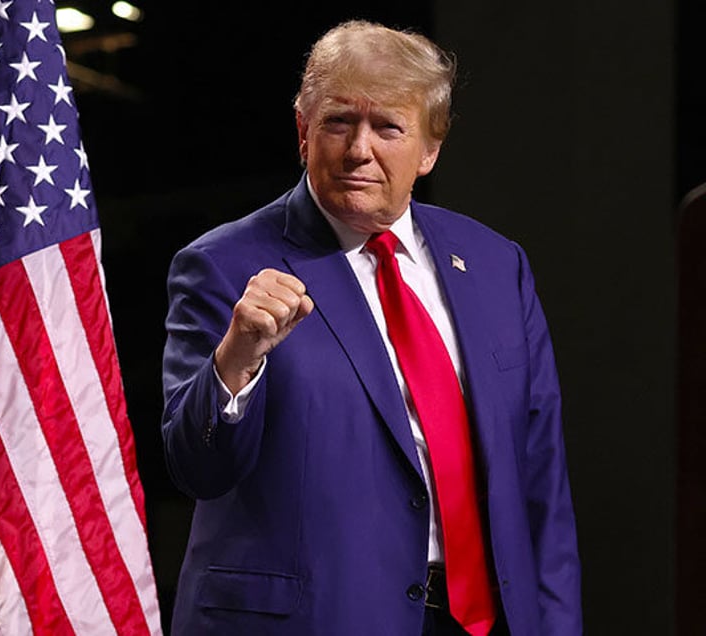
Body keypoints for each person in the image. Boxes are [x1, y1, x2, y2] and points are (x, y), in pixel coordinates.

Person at [161, 19, 581, 636]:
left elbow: (541, 483)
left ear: (429, 150)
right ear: (303, 132)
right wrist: (237, 358)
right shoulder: (222, 266)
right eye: (338, 122)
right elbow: (195, 467)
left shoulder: (496, 264)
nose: (360, 149)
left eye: (389, 126)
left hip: (484, 621)